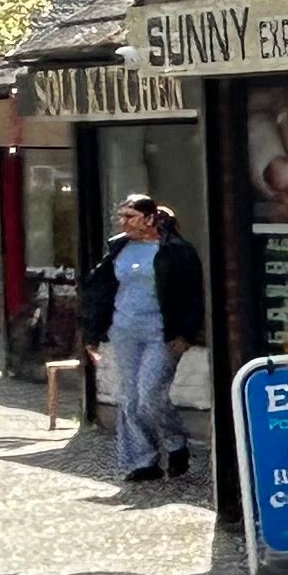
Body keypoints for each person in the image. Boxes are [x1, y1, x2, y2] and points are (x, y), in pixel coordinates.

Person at [78, 193, 204, 485]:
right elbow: (99, 293)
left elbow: (193, 296)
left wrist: (187, 334)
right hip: (125, 332)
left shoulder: (176, 251)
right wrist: (92, 332)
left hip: (161, 334)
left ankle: (175, 442)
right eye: (121, 216)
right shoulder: (119, 249)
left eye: (129, 216)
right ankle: (142, 460)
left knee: (150, 395)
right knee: (130, 398)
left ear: (149, 219)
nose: (123, 222)